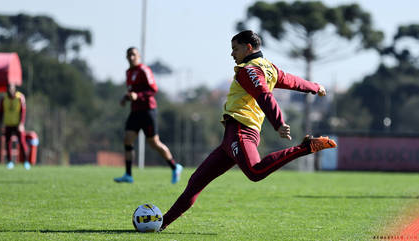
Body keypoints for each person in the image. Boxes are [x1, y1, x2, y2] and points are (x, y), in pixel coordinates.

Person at [159, 30, 337, 231]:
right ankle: (160, 224)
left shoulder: (249, 70)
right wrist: (315, 86)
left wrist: (278, 122)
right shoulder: (269, 68)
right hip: (231, 137)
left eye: (235, 49)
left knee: (255, 171)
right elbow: (293, 81)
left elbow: (264, 95)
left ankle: (305, 148)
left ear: (248, 47)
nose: (232, 54)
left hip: (241, 131)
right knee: (196, 181)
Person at [114, 47, 183, 184]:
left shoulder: (144, 70)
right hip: (135, 111)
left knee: (154, 143)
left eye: (133, 54)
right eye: (129, 55)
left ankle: (175, 167)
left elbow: (153, 89)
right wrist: (125, 98)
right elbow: (132, 91)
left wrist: (137, 96)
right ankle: (128, 175)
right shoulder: (129, 72)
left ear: (138, 56)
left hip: (148, 111)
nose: (131, 57)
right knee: (128, 140)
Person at [0, 83, 30, 170]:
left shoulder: (20, 97)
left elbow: (23, 111)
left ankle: (26, 162)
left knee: (22, 143)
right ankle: (10, 162)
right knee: (8, 143)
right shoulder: (3, 99)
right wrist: (1, 123)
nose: (10, 90)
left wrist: (21, 123)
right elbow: (0, 112)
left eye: (11, 89)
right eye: (8, 89)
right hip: (8, 124)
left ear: (14, 89)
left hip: (17, 125)